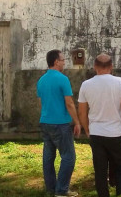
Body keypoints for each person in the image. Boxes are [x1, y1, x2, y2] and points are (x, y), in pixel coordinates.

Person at [78, 53, 121, 197]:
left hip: (96, 132)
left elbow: (82, 112)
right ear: (111, 67)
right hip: (116, 132)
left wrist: (87, 129)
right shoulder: (120, 82)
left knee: (100, 171)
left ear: (95, 67)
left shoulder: (86, 85)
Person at [37, 49, 81, 197]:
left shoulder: (41, 80)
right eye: (62, 60)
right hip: (60, 123)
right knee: (69, 157)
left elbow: (40, 103)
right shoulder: (63, 79)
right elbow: (69, 103)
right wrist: (77, 122)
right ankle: (61, 190)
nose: (64, 62)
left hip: (45, 122)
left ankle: (51, 188)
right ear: (56, 61)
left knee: (48, 157)